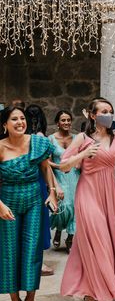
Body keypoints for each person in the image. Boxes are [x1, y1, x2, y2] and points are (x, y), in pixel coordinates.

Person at [59, 98, 115, 301]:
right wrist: (83, 154)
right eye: (104, 111)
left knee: (109, 243)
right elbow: (64, 165)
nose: (109, 114)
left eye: (111, 111)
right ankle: (91, 294)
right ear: (93, 115)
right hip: (88, 193)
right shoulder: (82, 138)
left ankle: (101, 290)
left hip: (109, 195)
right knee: (99, 242)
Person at [0, 106, 58, 301]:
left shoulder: (38, 143)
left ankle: (31, 299)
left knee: (32, 249)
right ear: (5, 124)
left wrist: (52, 193)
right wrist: (0, 205)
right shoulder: (0, 147)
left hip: (34, 199)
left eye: (22, 118)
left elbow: (46, 169)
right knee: (9, 252)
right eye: (14, 119)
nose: (19, 122)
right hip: (8, 202)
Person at [24, 104, 58, 276]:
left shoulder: (23, 137)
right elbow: (46, 167)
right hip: (37, 182)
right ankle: (38, 261)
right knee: (39, 222)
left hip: (29, 180)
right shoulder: (40, 138)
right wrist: (53, 186)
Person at [48, 110, 80, 252]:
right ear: (57, 123)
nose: (66, 122)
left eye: (68, 120)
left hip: (75, 175)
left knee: (74, 207)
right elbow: (47, 162)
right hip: (59, 176)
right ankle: (59, 230)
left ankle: (70, 237)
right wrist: (60, 166)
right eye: (63, 120)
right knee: (64, 207)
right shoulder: (51, 139)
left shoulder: (76, 138)